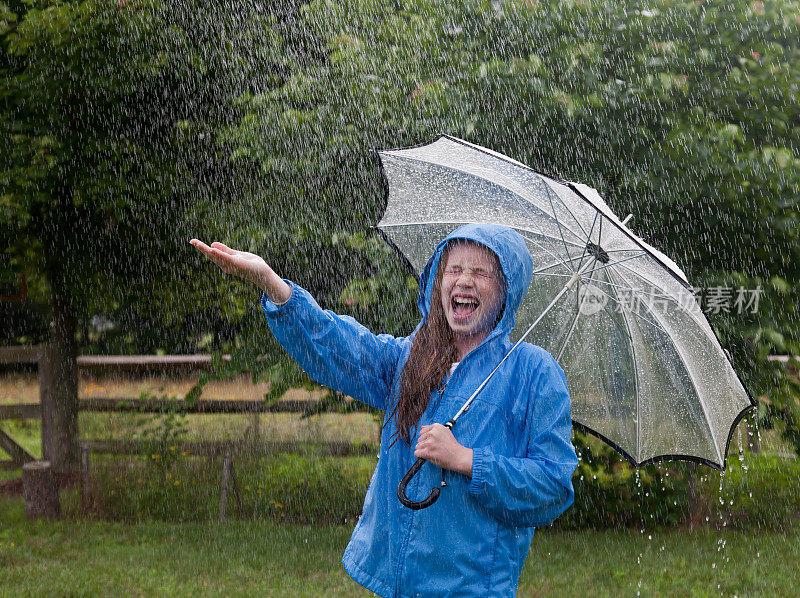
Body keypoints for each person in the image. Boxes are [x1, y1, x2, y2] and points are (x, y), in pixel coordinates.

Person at [190, 223, 578, 597]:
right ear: (437, 282)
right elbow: (339, 347)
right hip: (397, 583)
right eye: (454, 269)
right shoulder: (415, 356)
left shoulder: (534, 373)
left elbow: (553, 487)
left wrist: (467, 460)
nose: (463, 281)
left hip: (471, 588)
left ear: (507, 290)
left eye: (481, 273)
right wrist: (274, 286)